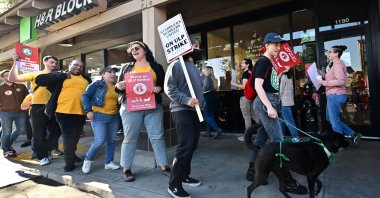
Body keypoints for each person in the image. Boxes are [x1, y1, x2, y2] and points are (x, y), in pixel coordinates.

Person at [248, 32, 306, 194]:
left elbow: (271, 82)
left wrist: (283, 71)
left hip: (270, 101)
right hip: (266, 102)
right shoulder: (263, 62)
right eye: (275, 44)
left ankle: (253, 170)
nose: (278, 47)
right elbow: (258, 86)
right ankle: (287, 181)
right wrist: (270, 107)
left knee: (260, 138)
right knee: (279, 142)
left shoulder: (271, 63)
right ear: (267, 45)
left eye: (279, 44)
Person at [115, 41, 170, 182]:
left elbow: (163, 84)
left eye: (137, 48)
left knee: (157, 136)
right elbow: (118, 86)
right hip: (130, 107)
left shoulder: (156, 67)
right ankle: (126, 169)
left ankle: (164, 166)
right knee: (130, 138)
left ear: (145, 50)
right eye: (131, 49)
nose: (134, 50)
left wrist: (159, 88)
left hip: (152, 107)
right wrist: (119, 85)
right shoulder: (126, 67)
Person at [164, 37, 204, 198]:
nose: (198, 48)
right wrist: (186, 100)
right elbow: (169, 89)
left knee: (192, 146)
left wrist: (201, 105)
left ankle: (184, 175)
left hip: (195, 111)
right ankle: (174, 184)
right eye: (195, 45)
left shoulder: (193, 66)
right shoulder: (176, 64)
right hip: (181, 110)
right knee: (185, 146)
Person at [35, 60, 91, 171]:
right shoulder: (62, 76)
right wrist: (62, 75)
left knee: (75, 137)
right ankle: (69, 161)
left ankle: (72, 154)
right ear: (69, 65)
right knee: (69, 137)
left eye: (81, 66)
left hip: (81, 112)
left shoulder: (86, 79)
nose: (78, 67)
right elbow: (39, 80)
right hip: (64, 112)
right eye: (75, 64)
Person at [8, 54, 62, 166]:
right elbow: (13, 78)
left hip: (56, 106)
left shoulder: (59, 75)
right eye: (52, 62)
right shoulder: (35, 74)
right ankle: (42, 156)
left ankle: (46, 150)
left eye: (56, 63)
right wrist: (15, 62)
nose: (54, 64)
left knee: (56, 131)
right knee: (39, 132)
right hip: (39, 106)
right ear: (45, 62)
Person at [317, 45, 362, 145]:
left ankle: (340, 143)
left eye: (330, 52)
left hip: (335, 95)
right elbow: (334, 78)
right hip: (333, 95)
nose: (328, 54)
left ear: (336, 53)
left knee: (335, 121)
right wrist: (324, 75)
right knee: (330, 119)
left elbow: (341, 81)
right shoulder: (335, 65)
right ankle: (353, 134)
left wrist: (323, 83)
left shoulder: (337, 64)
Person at [81, 66, 121, 174]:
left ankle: (109, 162)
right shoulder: (97, 84)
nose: (113, 74)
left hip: (114, 116)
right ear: (103, 74)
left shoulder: (116, 86)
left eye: (114, 72)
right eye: (110, 72)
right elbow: (85, 96)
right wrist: (88, 110)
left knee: (111, 140)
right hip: (99, 116)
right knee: (99, 140)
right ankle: (88, 160)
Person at [0, 70, 28, 158]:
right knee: (6, 132)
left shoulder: (21, 86)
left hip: (21, 112)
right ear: (2, 78)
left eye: (11, 75)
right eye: (7, 75)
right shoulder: (1, 88)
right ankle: (6, 150)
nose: (9, 77)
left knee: (20, 129)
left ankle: (7, 145)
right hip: (5, 113)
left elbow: (27, 97)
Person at [231, 59, 257, 141]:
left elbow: (243, 86)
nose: (241, 64)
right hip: (251, 97)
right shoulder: (251, 72)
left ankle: (247, 136)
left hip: (245, 97)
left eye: (243, 63)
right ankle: (264, 129)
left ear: (247, 64)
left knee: (247, 117)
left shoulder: (246, 73)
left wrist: (233, 83)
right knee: (253, 115)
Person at [279, 67, 299, 141]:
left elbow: (280, 90)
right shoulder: (289, 76)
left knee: (289, 121)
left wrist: (277, 99)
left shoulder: (284, 77)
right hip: (289, 101)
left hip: (284, 102)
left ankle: (296, 137)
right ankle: (281, 136)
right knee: (282, 121)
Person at [201, 66, 222, 138]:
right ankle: (208, 132)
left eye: (204, 69)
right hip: (212, 97)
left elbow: (205, 88)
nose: (203, 70)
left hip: (207, 97)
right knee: (210, 115)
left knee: (207, 116)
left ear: (207, 71)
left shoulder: (207, 78)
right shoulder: (214, 79)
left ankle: (217, 129)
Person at [20, 92, 37, 159]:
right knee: (35, 134)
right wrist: (32, 102)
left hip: (47, 116)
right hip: (34, 117)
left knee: (49, 134)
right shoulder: (30, 95)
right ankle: (34, 151)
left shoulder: (47, 91)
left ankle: (52, 150)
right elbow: (23, 107)